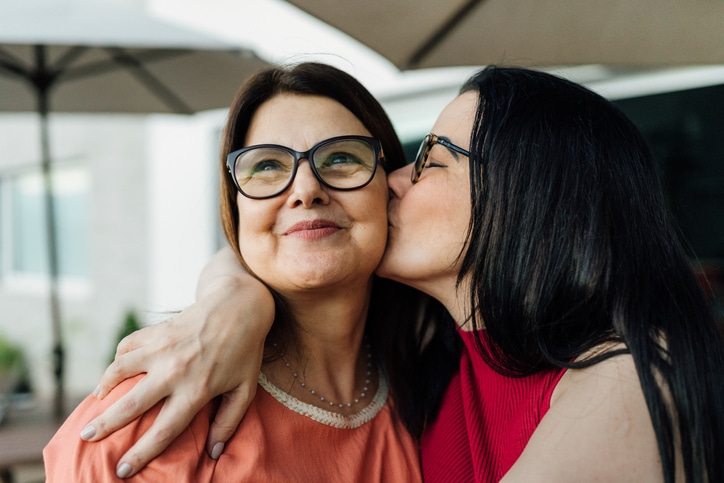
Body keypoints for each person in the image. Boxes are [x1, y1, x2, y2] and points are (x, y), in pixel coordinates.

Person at [79, 67, 724, 482]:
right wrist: (233, 300)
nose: (391, 180)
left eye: (432, 160)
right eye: (267, 169)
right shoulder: (436, 354)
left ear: (527, 196)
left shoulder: (628, 372)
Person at [43, 62, 432, 482]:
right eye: (266, 166)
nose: (305, 191)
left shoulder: (431, 384)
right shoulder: (162, 407)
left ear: (389, 188)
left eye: (341, 158)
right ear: (236, 208)